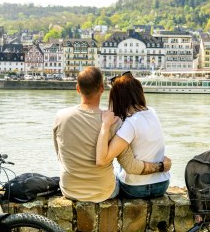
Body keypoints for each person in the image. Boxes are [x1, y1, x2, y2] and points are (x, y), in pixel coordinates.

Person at [53, 66, 171, 202]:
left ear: (77, 88)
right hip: (104, 192)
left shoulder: (60, 116)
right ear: (102, 89)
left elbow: (59, 155)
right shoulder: (117, 122)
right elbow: (130, 165)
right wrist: (162, 166)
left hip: (69, 189)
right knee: (115, 174)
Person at [96, 71, 170, 199]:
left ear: (118, 99)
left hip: (135, 188)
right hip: (162, 184)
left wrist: (105, 126)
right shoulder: (152, 112)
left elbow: (103, 159)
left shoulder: (130, 124)